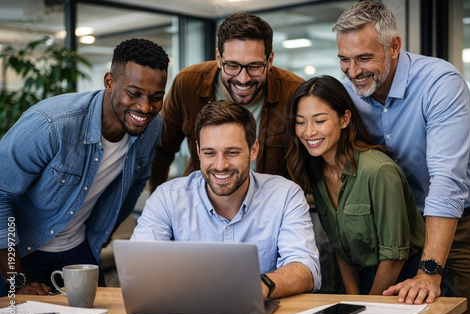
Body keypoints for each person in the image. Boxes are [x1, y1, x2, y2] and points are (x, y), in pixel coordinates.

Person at [332, 1, 470, 314]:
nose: (353, 72)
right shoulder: (350, 94)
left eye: (364, 58)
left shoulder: (439, 82)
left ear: (394, 46)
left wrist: (430, 270)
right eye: (344, 60)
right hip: (403, 226)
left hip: (464, 222)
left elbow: (446, 182)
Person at [0, 38, 169, 296]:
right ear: (109, 82)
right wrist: (16, 280)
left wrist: (102, 235)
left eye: (156, 97)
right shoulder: (51, 125)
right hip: (22, 255)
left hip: (80, 252)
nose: (145, 107)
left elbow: (135, 184)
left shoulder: (151, 127)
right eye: (134, 93)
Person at [131, 100, 321, 299]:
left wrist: (260, 286)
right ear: (198, 151)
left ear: (253, 150)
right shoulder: (167, 198)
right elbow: (138, 267)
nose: (220, 165)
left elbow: (306, 269)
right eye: (209, 153)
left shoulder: (285, 196)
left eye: (232, 152)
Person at [286, 75, 424, 295]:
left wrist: (367, 306)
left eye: (319, 121)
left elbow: (394, 257)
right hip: (357, 279)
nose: (308, 132)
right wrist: (352, 297)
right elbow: (342, 247)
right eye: (300, 122)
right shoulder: (316, 173)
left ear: (344, 119)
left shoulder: (379, 170)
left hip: (401, 281)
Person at [149, 12, 305, 193]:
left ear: (269, 61)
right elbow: (162, 150)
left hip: (268, 207)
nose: (243, 79)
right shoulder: (187, 84)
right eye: (232, 66)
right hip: (202, 202)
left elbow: (312, 161)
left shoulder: (294, 93)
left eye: (254, 66)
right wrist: (156, 200)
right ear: (218, 58)